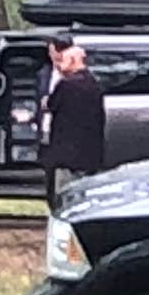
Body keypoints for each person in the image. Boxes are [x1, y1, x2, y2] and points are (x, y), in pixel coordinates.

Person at [40, 39, 108, 205]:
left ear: (72, 61)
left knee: (62, 194)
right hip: (89, 150)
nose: (60, 65)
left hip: (66, 153)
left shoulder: (66, 85)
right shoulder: (94, 84)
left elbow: (50, 104)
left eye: (63, 61)